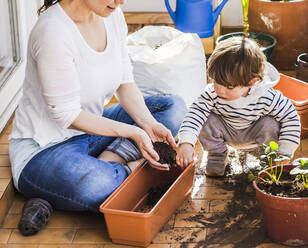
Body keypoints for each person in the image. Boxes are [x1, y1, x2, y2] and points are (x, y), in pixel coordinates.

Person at [9, 0, 187, 236]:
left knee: (172, 106)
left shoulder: (111, 15)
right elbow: (66, 114)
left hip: (93, 127)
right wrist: (132, 132)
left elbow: (125, 81)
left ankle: (103, 169)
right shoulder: (52, 31)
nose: (121, 1)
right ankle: (116, 172)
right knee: (98, 185)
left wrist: (147, 123)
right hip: (45, 148)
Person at [176, 37, 301, 176]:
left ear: (252, 82)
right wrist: (186, 142)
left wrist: (285, 151)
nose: (220, 89)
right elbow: (194, 113)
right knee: (204, 118)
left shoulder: (266, 96)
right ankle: (217, 156)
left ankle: (269, 159)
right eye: (216, 80)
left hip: (255, 133)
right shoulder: (212, 93)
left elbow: (291, 117)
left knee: (270, 124)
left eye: (229, 86)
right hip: (225, 132)